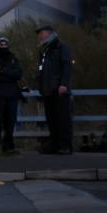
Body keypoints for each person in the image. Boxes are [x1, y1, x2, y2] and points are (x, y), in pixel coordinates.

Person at [35, 24, 74, 154]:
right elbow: (41, 70)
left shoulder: (62, 47)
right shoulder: (44, 51)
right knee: (51, 119)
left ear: (49, 33)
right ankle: (55, 144)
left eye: (42, 33)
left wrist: (64, 84)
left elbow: (67, 67)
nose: (40, 36)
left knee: (63, 119)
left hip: (59, 90)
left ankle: (65, 146)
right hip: (47, 90)